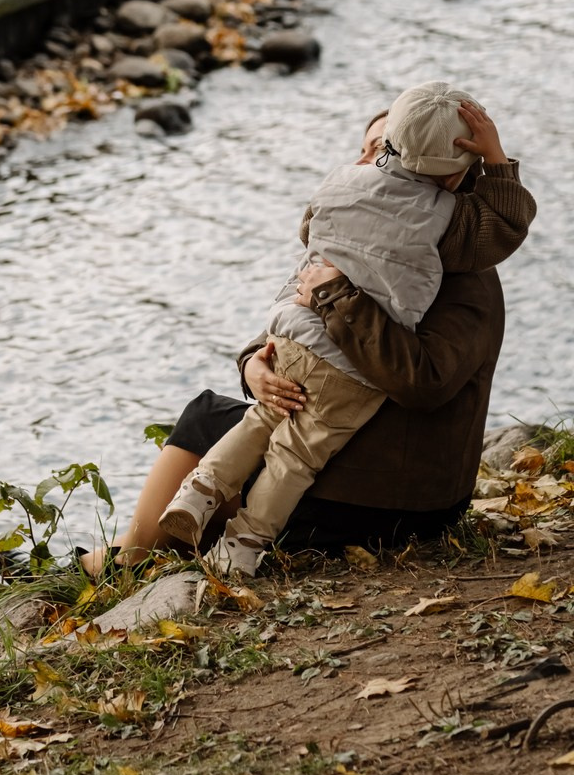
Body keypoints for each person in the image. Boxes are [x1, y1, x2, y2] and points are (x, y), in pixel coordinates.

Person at [77, 93, 535, 580]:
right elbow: (295, 319)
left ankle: (121, 563)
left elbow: (423, 383)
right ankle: (125, 557)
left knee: (215, 422)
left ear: (450, 178)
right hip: (350, 451)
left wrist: (336, 294)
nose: (367, 165)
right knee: (221, 414)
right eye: (366, 152)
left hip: (400, 497)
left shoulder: (464, 274)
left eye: (382, 150)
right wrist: (255, 364)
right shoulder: (367, 246)